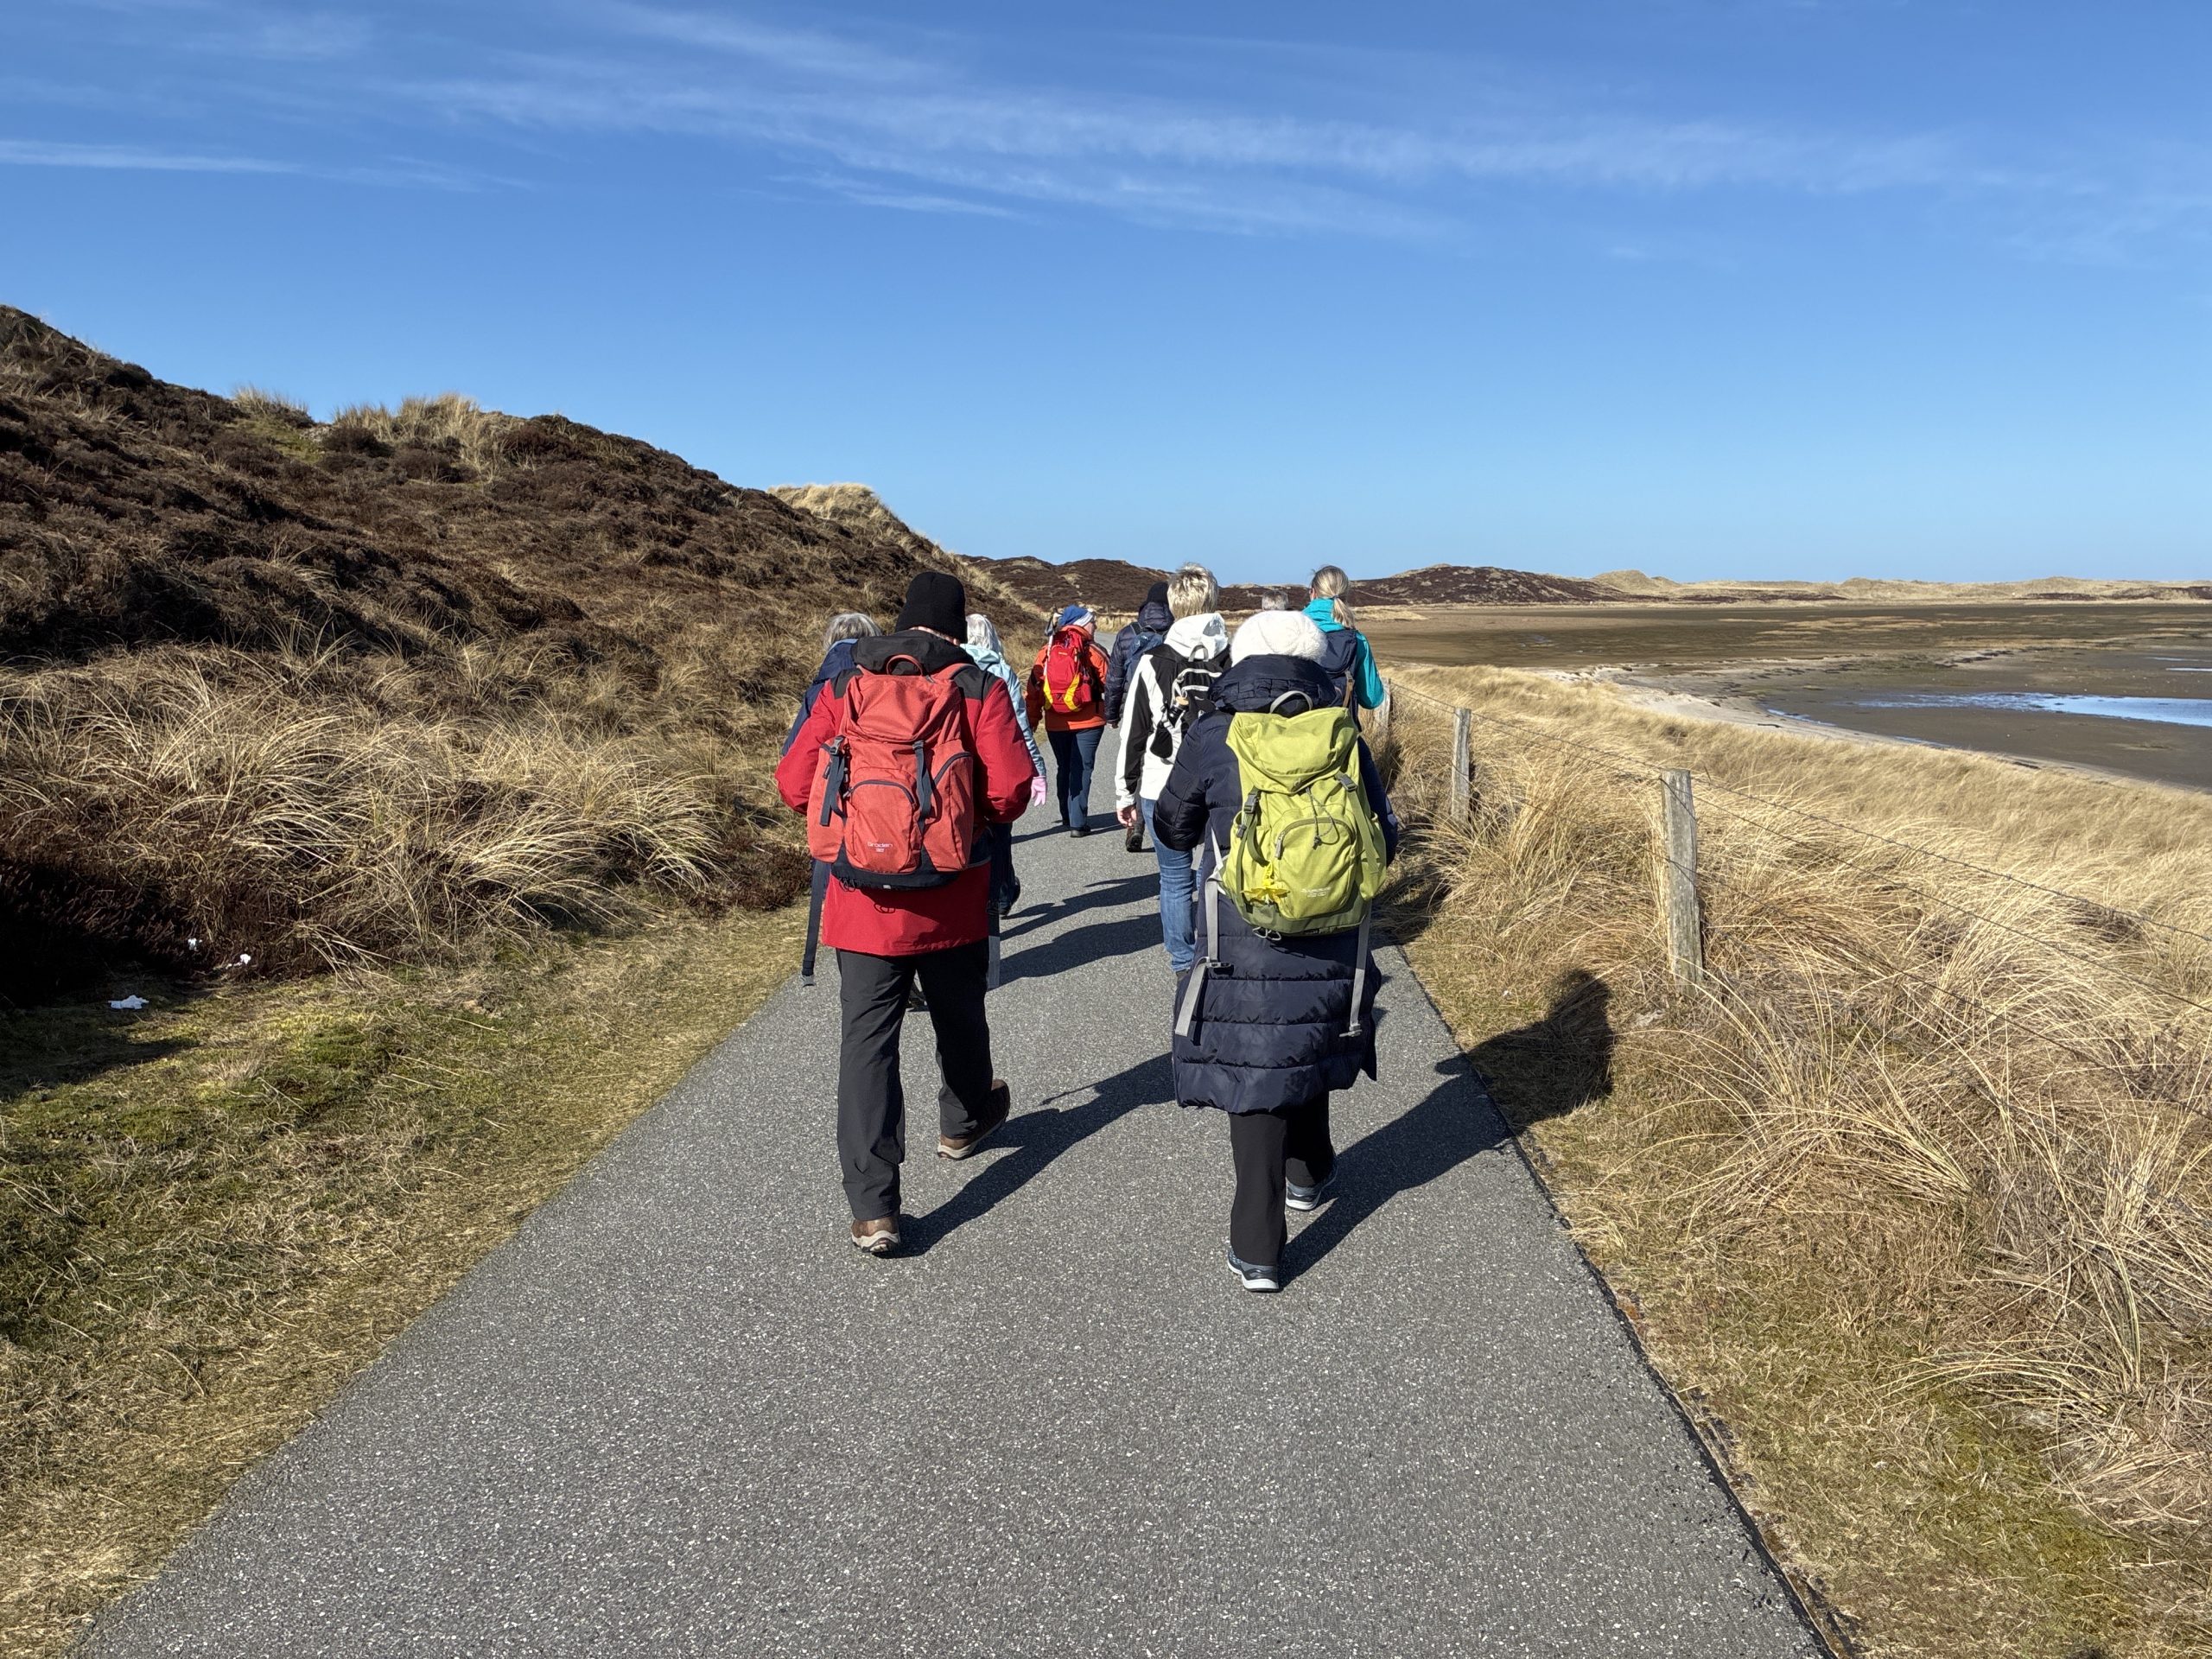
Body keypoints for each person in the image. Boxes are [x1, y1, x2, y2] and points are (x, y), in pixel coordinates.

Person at [775, 571, 1037, 1255]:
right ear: (955, 628)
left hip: (860, 900)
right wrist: (959, 821)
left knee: (867, 1045)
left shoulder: (844, 686)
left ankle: (874, 1210)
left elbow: (792, 782)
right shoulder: (976, 686)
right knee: (959, 1013)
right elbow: (1010, 792)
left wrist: (858, 823)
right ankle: (962, 1122)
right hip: (950, 895)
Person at [1151, 609, 1400, 1294]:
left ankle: (1257, 1245)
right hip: (1333, 926)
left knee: (1256, 1058)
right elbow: (1384, 835)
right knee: (1308, 1035)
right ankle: (1309, 1172)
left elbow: (1172, 827)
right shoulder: (1342, 731)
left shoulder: (1215, 733)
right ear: (1319, 665)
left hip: (1242, 927)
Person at [1114, 563, 1228, 976]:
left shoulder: (1153, 661)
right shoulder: (1233, 657)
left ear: (1175, 604)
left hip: (1163, 781)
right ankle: (1212, 948)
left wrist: (1125, 793)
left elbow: (1134, 732)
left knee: (1174, 878)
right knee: (1215, 873)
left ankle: (1183, 963)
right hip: (1222, 782)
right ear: (1214, 601)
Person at [964, 613, 1050, 977]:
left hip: (958, 772)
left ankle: (971, 914)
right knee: (1000, 836)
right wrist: (1038, 770)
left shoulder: (945, 667)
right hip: (996, 772)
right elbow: (1019, 728)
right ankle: (998, 898)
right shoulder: (999, 669)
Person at [1026, 604, 1111, 836]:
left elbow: (1034, 690)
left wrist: (1032, 721)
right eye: (1093, 621)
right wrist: (1113, 714)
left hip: (1055, 722)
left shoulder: (1047, 650)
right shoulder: (1092, 650)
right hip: (1090, 721)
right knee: (1081, 769)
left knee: (1064, 766)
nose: (1096, 626)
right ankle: (1078, 822)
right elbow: (1111, 683)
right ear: (1083, 623)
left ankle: (1066, 814)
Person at [1103, 582, 1173, 851]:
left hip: (1134, 710)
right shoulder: (1175, 632)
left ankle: (1135, 827)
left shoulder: (1128, 633)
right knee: (1161, 770)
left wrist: (1111, 714)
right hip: (1166, 711)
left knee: (1135, 766)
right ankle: (1164, 827)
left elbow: (1115, 679)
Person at [782, 611, 880, 753]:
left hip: (828, 769)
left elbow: (793, 748)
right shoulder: (886, 685)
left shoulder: (820, 688)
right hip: (875, 768)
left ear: (830, 641)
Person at [1302, 566, 1387, 720]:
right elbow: (1372, 699)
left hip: (1292, 733)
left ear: (1313, 592)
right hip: (1340, 734)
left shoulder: (1288, 633)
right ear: (1345, 595)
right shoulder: (1357, 640)